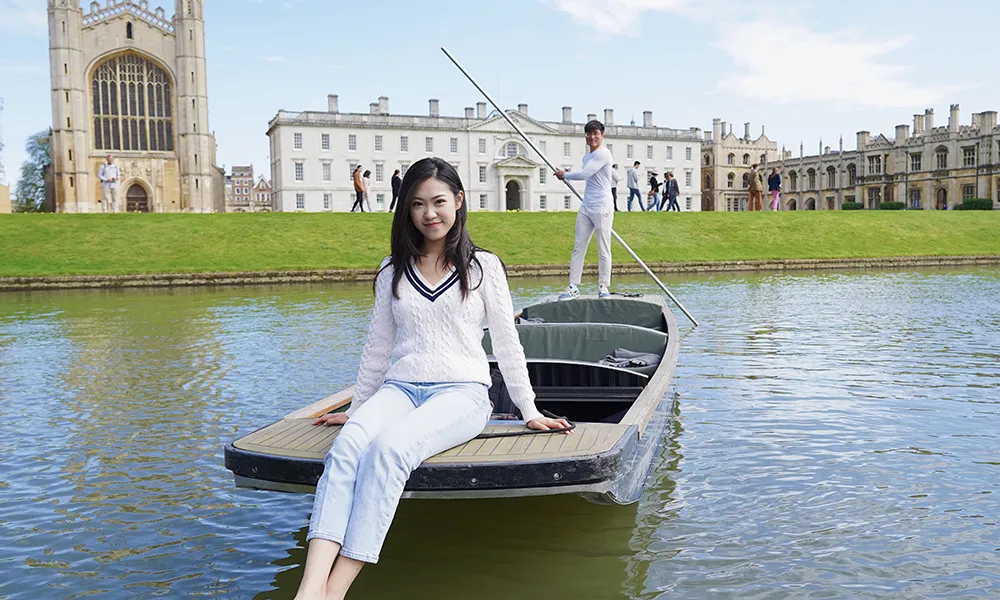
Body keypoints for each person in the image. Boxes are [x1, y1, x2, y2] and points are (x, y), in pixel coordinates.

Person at [294, 157, 570, 600]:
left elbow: (506, 342)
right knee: (347, 447)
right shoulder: (392, 269)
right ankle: (310, 588)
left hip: (462, 394)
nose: (429, 213)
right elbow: (378, 348)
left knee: (388, 450)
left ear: (458, 201)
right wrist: (358, 410)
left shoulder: (483, 267)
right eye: (418, 204)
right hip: (400, 388)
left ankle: (336, 590)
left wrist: (529, 409)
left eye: (439, 201)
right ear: (407, 208)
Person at [554, 119, 614, 300]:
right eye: (589, 134)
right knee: (579, 246)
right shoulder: (587, 157)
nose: (592, 137)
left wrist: (565, 175)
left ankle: (603, 286)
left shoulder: (604, 154)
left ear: (602, 135)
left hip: (602, 207)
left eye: (596, 133)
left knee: (603, 248)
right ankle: (573, 286)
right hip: (586, 206)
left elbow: (586, 174)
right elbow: (593, 174)